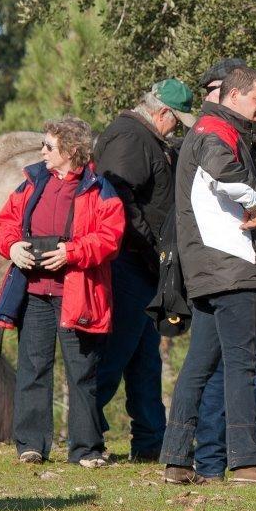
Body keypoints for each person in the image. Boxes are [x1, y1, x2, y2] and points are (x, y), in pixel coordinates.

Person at [159, 65, 256, 484]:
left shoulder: (213, 130)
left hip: (208, 267)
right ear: (233, 96)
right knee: (244, 364)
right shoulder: (215, 130)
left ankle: (177, 461)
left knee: (200, 365)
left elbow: (239, 176)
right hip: (231, 265)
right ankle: (248, 463)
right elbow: (226, 173)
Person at [0, 116, 126, 467]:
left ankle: (86, 450)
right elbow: (4, 223)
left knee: (82, 372)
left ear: (72, 150)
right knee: (33, 369)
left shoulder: (99, 189)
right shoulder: (32, 181)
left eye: (49, 146)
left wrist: (72, 251)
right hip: (34, 294)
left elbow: (110, 238)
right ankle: (30, 446)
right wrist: (12, 247)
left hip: (77, 294)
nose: (43, 152)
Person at [93, 78, 196, 461]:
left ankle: (151, 440)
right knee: (114, 354)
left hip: (143, 265)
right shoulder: (131, 138)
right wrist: (152, 247)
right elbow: (119, 199)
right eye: (176, 121)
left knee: (144, 359)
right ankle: (87, 438)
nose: (176, 129)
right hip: (128, 263)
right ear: (162, 112)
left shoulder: (145, 138)